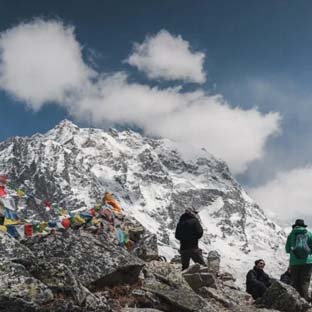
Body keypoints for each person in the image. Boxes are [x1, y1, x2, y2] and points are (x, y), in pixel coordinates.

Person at [286, 219, 312, 301]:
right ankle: (304, 301)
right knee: (304, 282)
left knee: (295, 281)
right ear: (303, 226)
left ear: (295, 226)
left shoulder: (291, 235)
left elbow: (287, 249)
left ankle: (296, 302)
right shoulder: (308, 234)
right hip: (307, 261)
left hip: (294, 262)